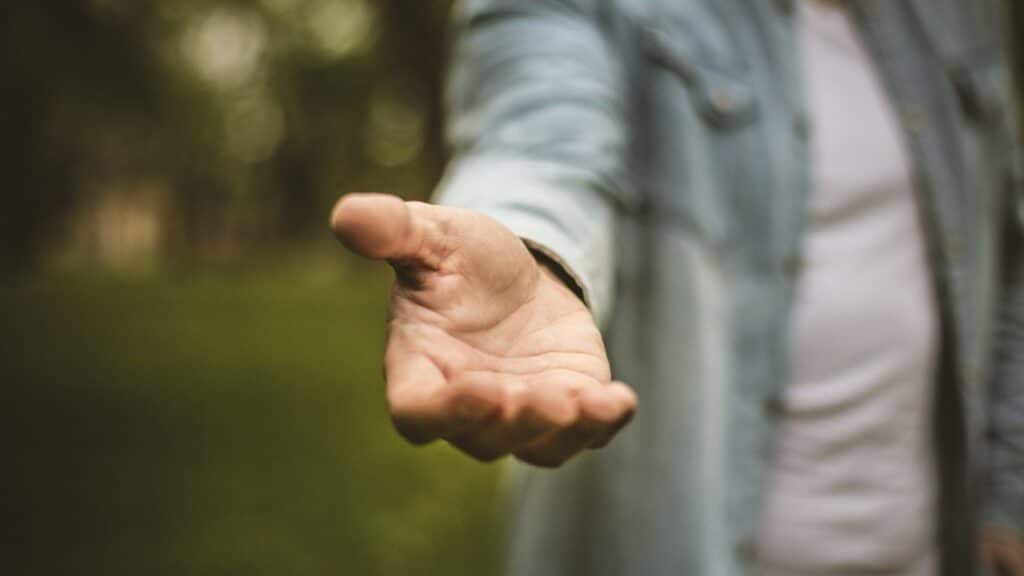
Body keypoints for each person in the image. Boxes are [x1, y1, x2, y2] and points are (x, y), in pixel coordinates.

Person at [331, 0, 1024, 574]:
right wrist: (530, 245)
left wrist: (1008, 495)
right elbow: (540, 141)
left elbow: (1008, 250)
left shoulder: (961, 17)